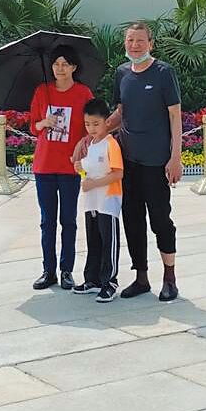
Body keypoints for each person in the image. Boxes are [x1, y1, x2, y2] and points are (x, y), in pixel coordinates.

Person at [76, 22, 182, 301]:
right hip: (128, 161)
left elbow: (175, 117)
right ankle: (141, 278)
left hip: (156, 161)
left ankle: (169, 277)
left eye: (140, 40)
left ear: (151, 43)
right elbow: (120, 113)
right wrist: (91, 136)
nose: (134, 45)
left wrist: (175, 157)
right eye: (130, 40)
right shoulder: (122, 73)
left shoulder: (163, 73)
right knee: (132, 219)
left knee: (160, 220)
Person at [28, 45, 93, 290]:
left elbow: (90, 128)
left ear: (74, 67)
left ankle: (67, 270)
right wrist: (44, 122)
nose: (60, 68)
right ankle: (48, 270)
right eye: (56, 64)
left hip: (69, 167)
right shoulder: (41, 91)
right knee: (47, 221)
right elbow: (33, 127)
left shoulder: (83, 93)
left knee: (69, 220)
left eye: (65, 64)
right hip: (44, 165)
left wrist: (84, 148)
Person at [73, 97, 123, 303]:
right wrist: (80, 168)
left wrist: (94, 184)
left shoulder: (111, 144)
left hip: (108, 200)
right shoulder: (90, 145)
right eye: (87, 124)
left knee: (108, 241)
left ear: (106, 122)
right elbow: (88, 169)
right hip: (92, 202)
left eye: (96, 124)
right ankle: (91, 279)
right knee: (93, 240)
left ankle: (109, 282)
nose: (91, 128)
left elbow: (117, 174)